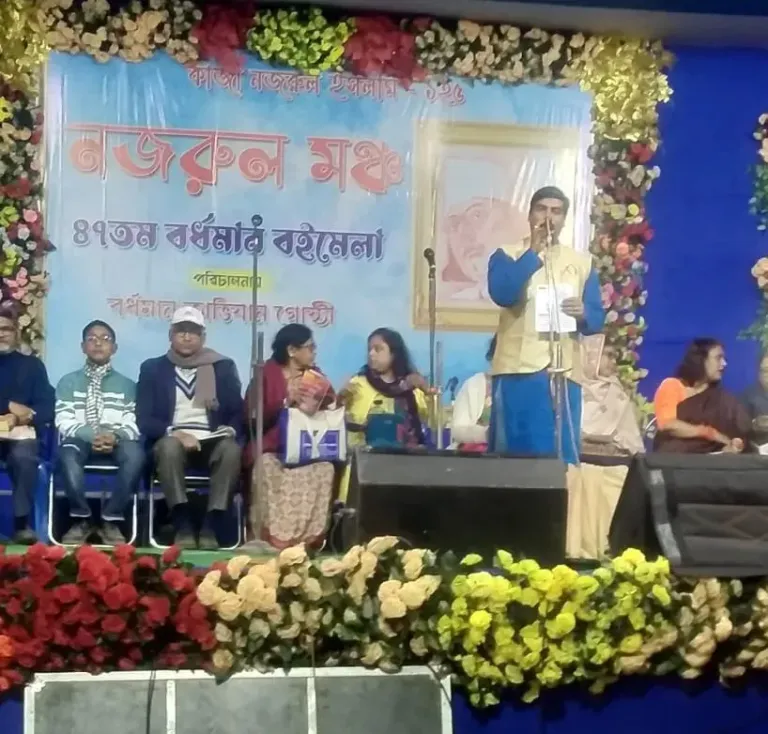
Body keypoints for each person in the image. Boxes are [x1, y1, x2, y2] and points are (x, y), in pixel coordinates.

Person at [487, 186, 605, 464]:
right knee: (517, 458)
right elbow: (502, 294)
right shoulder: (507, 254)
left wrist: (583, 313)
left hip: (564, 374)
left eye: (556, 211)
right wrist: (533, 253)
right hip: (519, 372)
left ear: (564, 219)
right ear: (530, 215)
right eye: (542, 209)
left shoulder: (581, 263)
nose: (549, 217)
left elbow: (596, 320)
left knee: (560, 457)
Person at [137, 306, 243, 549]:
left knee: (231, 450)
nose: (187, 337)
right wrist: (175, 433)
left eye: (193, 332)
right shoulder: (152, 368)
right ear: (170, 335)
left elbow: (237, 411)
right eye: (181, 331)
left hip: (212, 440)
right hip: (172, 438)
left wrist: (230, 429)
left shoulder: (222, 367)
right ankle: (182, 523)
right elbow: (144, 418)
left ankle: (211, 525)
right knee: (168, 448)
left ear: (203, 337)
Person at [245, 324, 337, 550]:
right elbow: (252, 416)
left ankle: (308, 540)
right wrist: (286, 401)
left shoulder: (316, 376)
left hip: (308, 449)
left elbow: (330, 409)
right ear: (292, 350)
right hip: (273, 447)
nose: (314, 352)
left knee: (325, 469)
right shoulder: (266, 374)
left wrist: (324, 402)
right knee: (266, 466)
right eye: (310, 347)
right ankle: (274, 538)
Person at [54, 320, 145, 545]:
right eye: (91, 339)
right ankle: (81, 518)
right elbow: (63, 420)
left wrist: (114, 436)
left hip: (117, 440)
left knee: (136, 455)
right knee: (67, 453)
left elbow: (133, 422)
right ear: (82, 347)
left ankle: (111, 518)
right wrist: (91, 435)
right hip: (80, 438)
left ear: (114, 348)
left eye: (105, 339)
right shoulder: (68, 382)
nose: (98, 343)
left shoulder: (128, 385)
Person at [0, 307, 54, 544]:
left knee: (24, 457)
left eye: (6, 329)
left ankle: (21, 525)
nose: (1, 334)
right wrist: (8, 405)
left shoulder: (32, 366)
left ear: (16, 333)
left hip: (20, 436)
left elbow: (47, 406)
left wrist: (24, 417)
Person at [653, 338, 750, 453]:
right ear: (701, 360)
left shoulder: (723, 399)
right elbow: (667, 424)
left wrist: (735, 443)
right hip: (676, 457)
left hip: (715, 457)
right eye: (718, 358)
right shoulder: (672, 386)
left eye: (724, 359)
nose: (724, 364)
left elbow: (740, 428)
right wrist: (708, 433)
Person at [580, 335, 645, 457]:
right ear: (592, 355)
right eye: (609, 355)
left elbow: (630, 441)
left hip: (613, 459)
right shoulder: (572, 391)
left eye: (615, 357)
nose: (614, 362)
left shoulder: (618, 394)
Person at [451, 336, 496, 451]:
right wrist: (487, 434)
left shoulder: (525, 388)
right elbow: (458, 430)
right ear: (491, 356)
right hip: (476, 456)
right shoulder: (475, 385)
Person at [741, 353, 768, 448]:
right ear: (759, 374)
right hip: (761, 450)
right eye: (766, 371)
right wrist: (754, 424)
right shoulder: (748, 396)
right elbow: (739, 427)